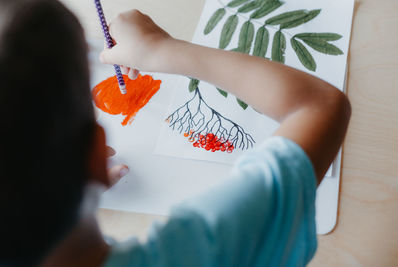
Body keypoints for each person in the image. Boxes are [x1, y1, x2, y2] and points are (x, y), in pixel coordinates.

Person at [0, 0, 351, 266]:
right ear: (95, 153)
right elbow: (318, 106)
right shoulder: (204, 251)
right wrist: (161, 49)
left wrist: (58, 189)